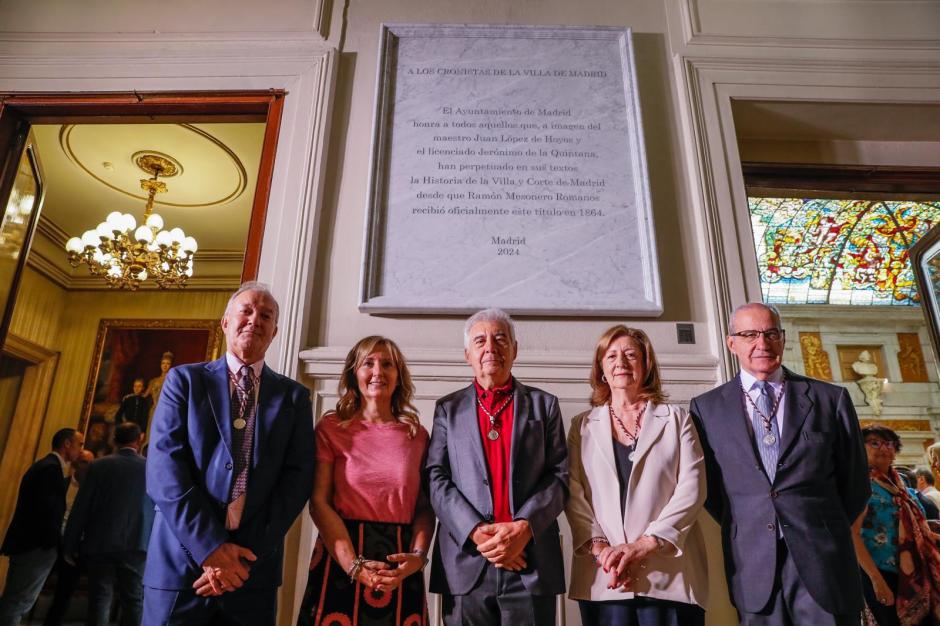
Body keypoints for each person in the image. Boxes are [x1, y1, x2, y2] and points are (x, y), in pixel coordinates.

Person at [142, 282, 316, 626]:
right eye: (246, 311)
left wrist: (239, 561)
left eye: (265, 315)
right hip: (180, 570)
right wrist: (211, 549)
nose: (255, 320)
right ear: (225, 322)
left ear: (275, 331)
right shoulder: (183, 381)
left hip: (252, 575)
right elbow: (164, 472)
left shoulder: (294, 397)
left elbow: (296, 483)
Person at [690, 302, 869, 625]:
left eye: (771, 333)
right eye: (749, 334)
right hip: (752, 562)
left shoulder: (830, 399)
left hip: (823, 560)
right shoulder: (706, 409)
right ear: (732, 343)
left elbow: (855, 484)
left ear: (783, 338)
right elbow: (711, 491)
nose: (763, 343)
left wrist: (819, 523)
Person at [427, 308, 568, 625]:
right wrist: (476, 532)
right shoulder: (446, 409)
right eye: (480, 340)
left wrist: (522, 528)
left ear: (514, 350)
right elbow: (436, 478)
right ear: (468, 354)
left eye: (500, 338)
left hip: (530, 563)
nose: (490, 347)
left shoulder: (545, 405)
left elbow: (559, 477)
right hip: (466, 564)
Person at [566, 325, 708, 626]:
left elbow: (692, 488)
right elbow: (573, 492)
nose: (621, 362)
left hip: (668, 575)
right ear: (601, 368)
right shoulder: (581, 426)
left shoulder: (677, 419)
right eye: (612, 355)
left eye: (631, 355)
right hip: (604, 576)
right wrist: (603, 550)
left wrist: (644, 545)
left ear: (646, 365)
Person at [297, 336, 432, 625]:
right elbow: (319, 502)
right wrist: (353, 565)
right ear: (353, 373)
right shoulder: (330, 427)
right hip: (341, 559)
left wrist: (418, 558)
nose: (378, 372)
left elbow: (425, 507)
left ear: (399, 376)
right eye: (368, 363)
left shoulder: (417, 435)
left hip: (399, 567)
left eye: (387, 364)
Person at [63, 422, 154, 626]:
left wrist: (70, 544)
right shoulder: (150, 468)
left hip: (100, 543)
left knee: (99, 600)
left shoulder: (99, 465)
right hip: (136, 544)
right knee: (133, 600)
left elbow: (82, 506)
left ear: (114, 440)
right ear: (139, 440)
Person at [852, 425, 940, 625]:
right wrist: (876, 580)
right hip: (882, 574)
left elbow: (918, 527)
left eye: (889, 443)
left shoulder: (899, 483)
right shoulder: (860, 484)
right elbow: (852, 534)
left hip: (915, 574)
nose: (884, 448)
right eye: (875, 443)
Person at [0, 428, 85, 626]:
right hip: (35, 548)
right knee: (18, 603)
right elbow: (47, 514)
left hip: (30, 545)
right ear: (66, 444)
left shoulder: (46, 467)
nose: (81, 450)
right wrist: (57, 545)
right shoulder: (50, 470)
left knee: (14, 600)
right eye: (79, 444)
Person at [43, 448, 94, 626]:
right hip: (51, 543)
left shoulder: (94, 493)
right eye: (84, 462)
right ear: (74, 464)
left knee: (63, 594)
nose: (88, 467)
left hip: (75, 549)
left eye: (91, 463)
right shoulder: (61, 485)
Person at [145, 350, 173, 424]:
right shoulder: (153, 381)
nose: (165, 365)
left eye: (168, 363)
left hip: (165, 412)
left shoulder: (172, 381)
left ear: (171, 366)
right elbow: (144, 396)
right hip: (154, 412)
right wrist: (131, 396)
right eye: (163, 363)